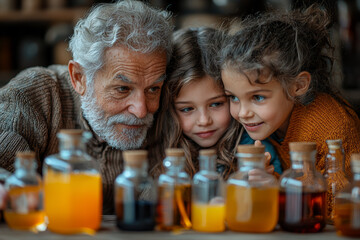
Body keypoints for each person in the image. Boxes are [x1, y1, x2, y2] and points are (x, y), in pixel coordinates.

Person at [0, 0, 173, 214]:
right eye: (122, 89)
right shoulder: (33, 96)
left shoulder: (170, 109)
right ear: (79, 78)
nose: (141, 111)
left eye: (153, 89)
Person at [219, 4, 360, 191]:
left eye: (258, 97)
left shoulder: (332, 129)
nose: (243, 113)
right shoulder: (267, 123)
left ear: (298, 85)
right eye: (233, 98)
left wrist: (278, 186)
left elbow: (340, 205)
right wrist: (271, 181)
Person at [149, 27, 282, 180]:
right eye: (187, 109)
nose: (204, 121)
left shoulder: (257, 149)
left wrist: (267, 180)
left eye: (216, 104)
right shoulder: (158, 151)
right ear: (169, 108)